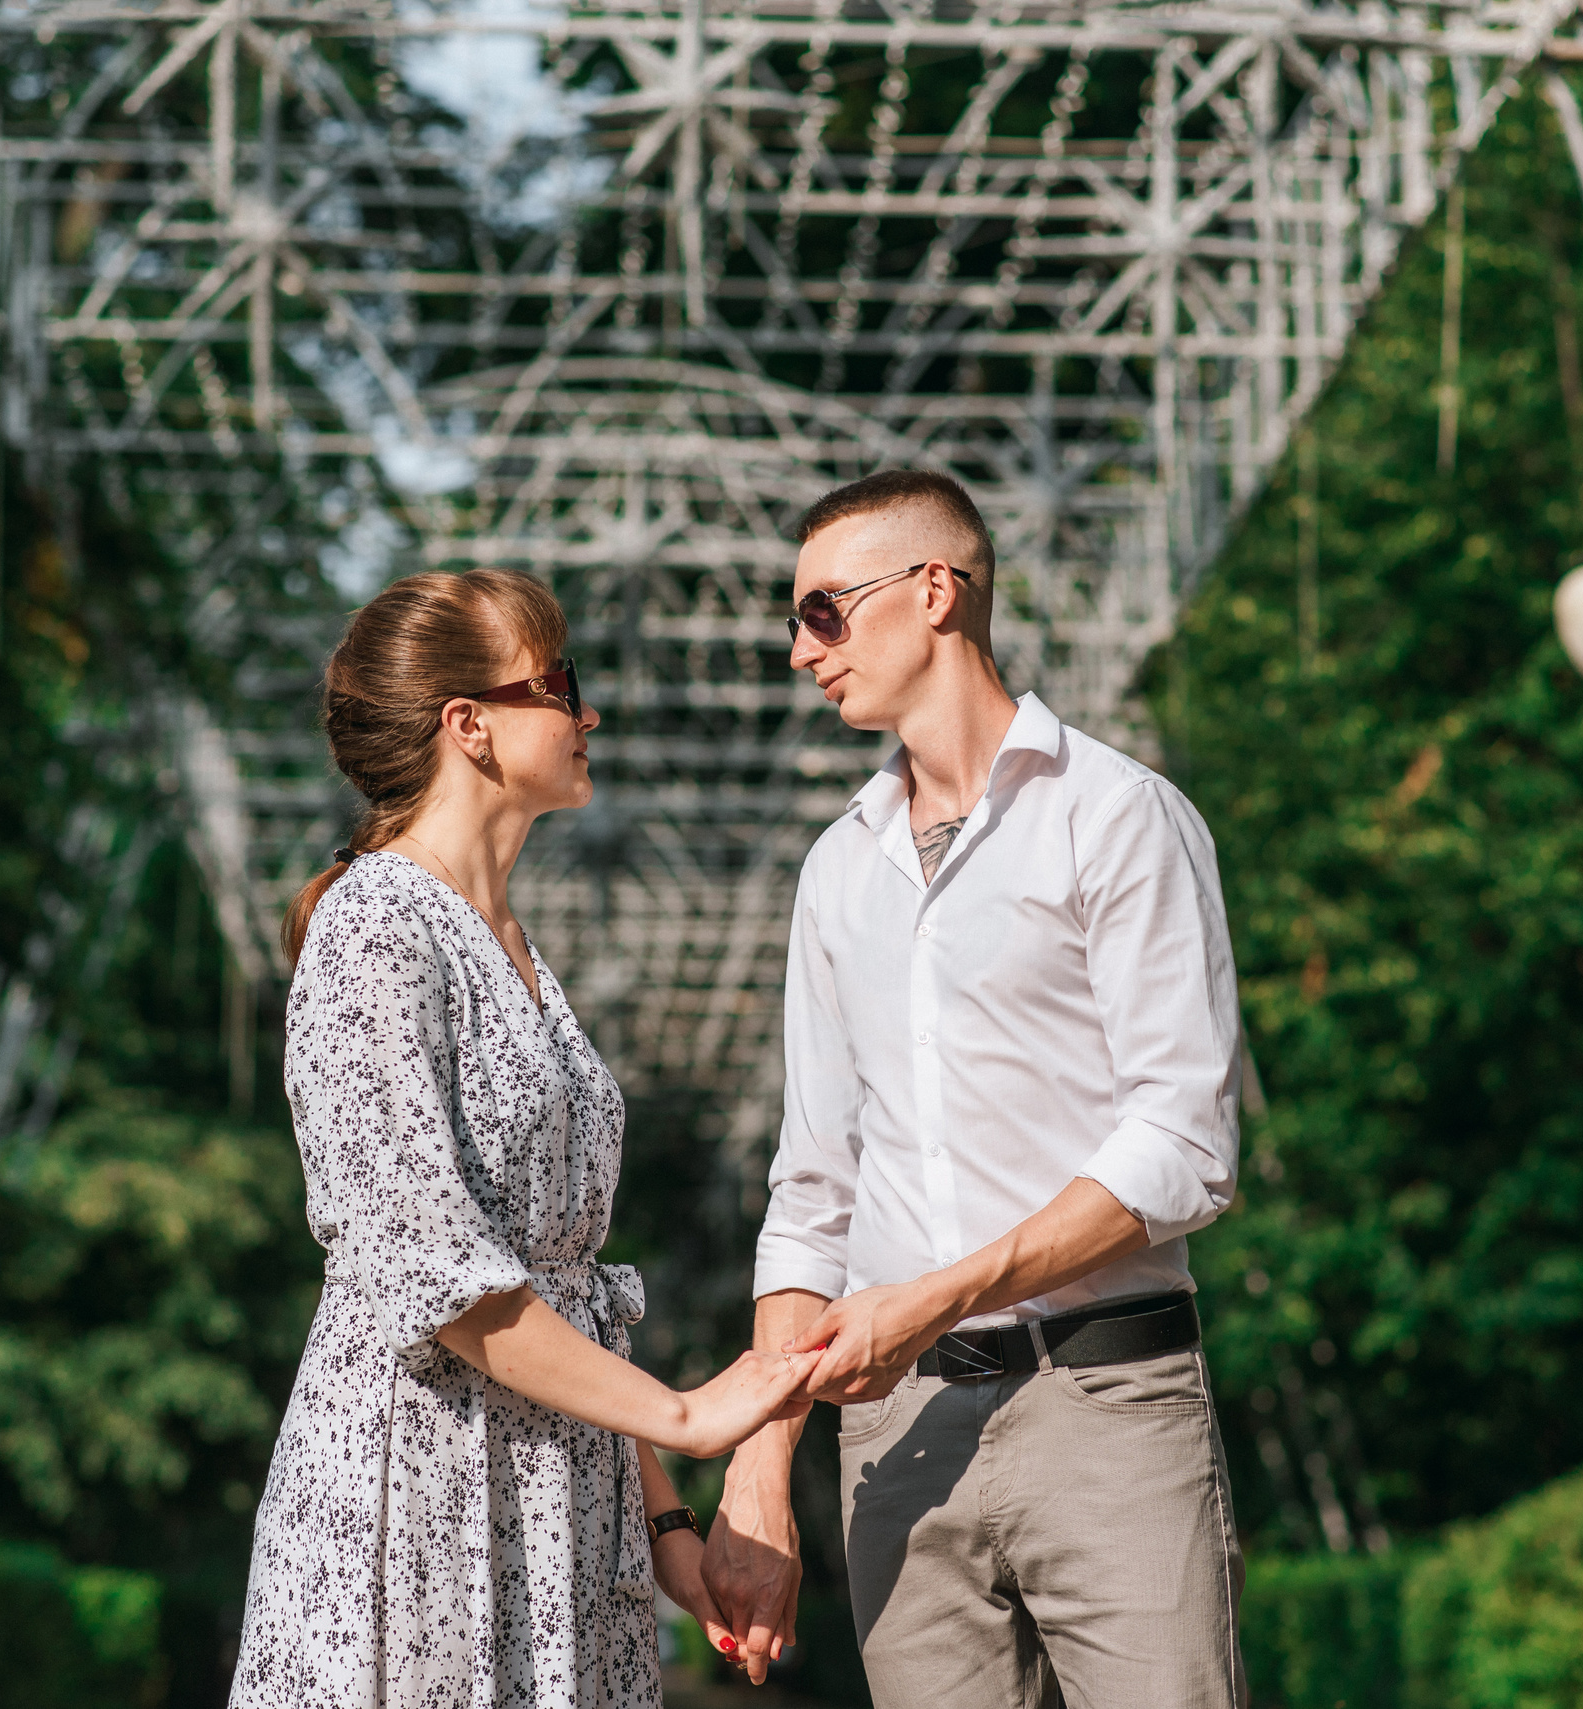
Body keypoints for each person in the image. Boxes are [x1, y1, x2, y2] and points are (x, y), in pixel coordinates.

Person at [700, 472, 1247, 1707]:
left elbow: (1181, 1146)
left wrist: (930, 1296)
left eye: (823, 611)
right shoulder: (838, 872)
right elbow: (812, 1193)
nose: (800, 651)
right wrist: (759, 1465)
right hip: (894, 1441)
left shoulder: (1116, 817)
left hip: (1104, 1404)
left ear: (934, 592)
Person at [232, 568, 810, 1709]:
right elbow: (442, 1273)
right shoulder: (373, 925)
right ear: (471, 725)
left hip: (559, 1499)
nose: (587, 714)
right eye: (561, 684)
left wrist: (667, 1530)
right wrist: (690, 1416)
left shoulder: (506, 940)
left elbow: (565, 1289)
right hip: (425, 1487)